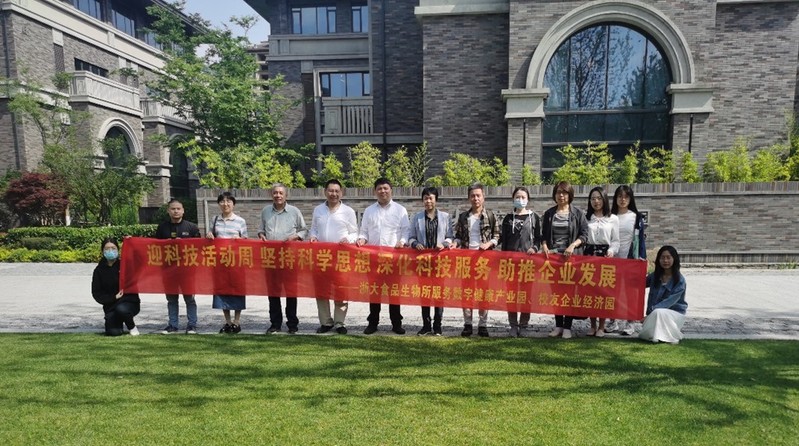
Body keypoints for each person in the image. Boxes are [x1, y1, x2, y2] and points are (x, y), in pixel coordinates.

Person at [356, 178, 410, 335]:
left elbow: (405, 231)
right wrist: (362, 239)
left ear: (391, 190)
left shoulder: (400, 210)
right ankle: (373, 323)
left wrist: (402, 241)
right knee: (374, 292)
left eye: (385, 188)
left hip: (394, 258)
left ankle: (396, 323)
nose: (383, 191)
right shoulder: (369, 211)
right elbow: (364, 231)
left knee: (394, 292)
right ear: (375, 191)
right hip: (374, 259)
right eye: (379, 188)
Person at [309, 179, 358, 335]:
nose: (333, 194)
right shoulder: (318, 210)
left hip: (341, 257)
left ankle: (339, 322)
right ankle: (326, 322)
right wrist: (313, 237)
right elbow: (313, 229)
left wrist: (347, 239)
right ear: (325, 192)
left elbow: (355, 233)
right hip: (321, 257)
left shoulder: (348, 211)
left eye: (337, 191)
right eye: (331, 191)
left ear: (341, 193)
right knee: (321, 290)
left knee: (341, 289)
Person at [257, 183, 308, 334]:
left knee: (291, 292)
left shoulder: (294, 211)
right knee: (273, 292)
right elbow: (260, 230)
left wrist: (295, 237)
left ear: (286, 195)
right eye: (275, 193)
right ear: (271, 195)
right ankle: (275, 324)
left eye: (281, 193)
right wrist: (261, 235)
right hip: (271, 258)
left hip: (289, 258)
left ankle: (292, 324)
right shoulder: (266, 211)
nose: (278, 195)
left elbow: (304, 230)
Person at [541, 181, 588, 339]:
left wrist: (573, 245)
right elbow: (543, 235)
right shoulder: (549, 214)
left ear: (570, 195)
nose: (561, 195)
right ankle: (558, 325)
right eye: (558, 192)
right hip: (554, 259)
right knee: (556, 293)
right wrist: (544, 245)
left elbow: (584, 235)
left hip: (571, 259)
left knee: (569, 293)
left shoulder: (577, 213)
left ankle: (567, 326)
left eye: (564, 192)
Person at [454, 182, 500, 337]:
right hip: (467, 260)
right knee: (467, 292)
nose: (476, 198)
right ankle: (468, 324)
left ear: (483, 197)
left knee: (483, 293)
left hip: (484, 261)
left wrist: (488, 244)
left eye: (478, 195)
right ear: (469, 198)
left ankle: (482, 324)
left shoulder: (491, 216)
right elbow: (458, 237)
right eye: (472, 196)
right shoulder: (463, 217)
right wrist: (455, 243)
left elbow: (497, 236)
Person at [408, 186, 454, 336]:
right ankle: (426, 325)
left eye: (431, 198)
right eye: (425, 198)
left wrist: (445, 243)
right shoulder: (417, 218)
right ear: (422, 200)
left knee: (439, 294)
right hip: (423, 263)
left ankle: (438, 325)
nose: (428, 201)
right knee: (425, 294)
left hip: (440, 262)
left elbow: (450, 237)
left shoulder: (445, 217)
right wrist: (415, 244)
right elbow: (411, 238)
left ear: (436, 200)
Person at [499, 186, 541, 337]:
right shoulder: (508, 218)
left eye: (523, 197)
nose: (520, 199)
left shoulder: (534, 217)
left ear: (528, 199)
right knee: (511, 295)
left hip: (527, 263)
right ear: (513, 199)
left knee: (526, 295)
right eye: (517, 197)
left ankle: (523, 325)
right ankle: (513, 325)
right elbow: (503, 241)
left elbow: (538, 238)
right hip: (510, 264)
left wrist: (534, 248)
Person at [155, 198, 201, 334]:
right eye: (173, 209)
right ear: (168, 211)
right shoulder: (162, 227)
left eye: (178, 209)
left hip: (187, 270)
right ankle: (172, 325)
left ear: (183, 211)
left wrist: (184, 244)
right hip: (168, 270)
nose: (176, 211)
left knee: (189, 299)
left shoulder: (192, 227)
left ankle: (192, 325)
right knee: (171, 299)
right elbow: (155, 247)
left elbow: (199, 247)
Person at [608, 184, 648, 335]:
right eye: (620, 196)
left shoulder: (635, 217)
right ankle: (613, 322)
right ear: (615, 198)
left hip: (630, 259)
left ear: (630, 199)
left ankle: (630, 323)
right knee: (612, 293)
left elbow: (641, 240)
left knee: (630, 293)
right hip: (613, 260)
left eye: (626, 197)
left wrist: (642, 258)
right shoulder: (610, 216)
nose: (623, 200)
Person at [206, 192, 248, 334]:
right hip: (220, 262)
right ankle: (228, 322)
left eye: (229, 201)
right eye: (222, 201)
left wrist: (240, 239)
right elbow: (210, 237)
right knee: (222, 290)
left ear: (233, 204)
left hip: (236, 262)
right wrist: (209, 235)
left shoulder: (240, 221)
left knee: (237, 290)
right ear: (219, 204)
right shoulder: (215, 220)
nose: (225, 204)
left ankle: (237, 322)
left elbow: (246, 240)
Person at [584, 186, 620, 338]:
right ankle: (592, 325)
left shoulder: (613, 218)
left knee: (603, 292)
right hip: (589, 256)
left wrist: (612, 250)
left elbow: (616, 241)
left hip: (605, 257)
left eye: (599, 198)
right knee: (590, 291)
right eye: (593, 199)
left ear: (604, 199)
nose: (596, 201)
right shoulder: (586, 218)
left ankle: (602, 326)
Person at [92, 237, 140, 336]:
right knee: (114, 332)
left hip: (128, 303)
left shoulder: (125, 265)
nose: (110, 251)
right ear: (102, 251)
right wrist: (114, 297)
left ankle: (132, 327)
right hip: (111, 306)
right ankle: (118, 321)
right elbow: (97, 293)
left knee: (121, 309)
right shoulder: (99, 270)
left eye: (113, 248)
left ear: (118, 250)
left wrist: (131, 243)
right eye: (107, 249)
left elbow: (139, 260)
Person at [639, 245, 687, 344]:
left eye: (668, 258)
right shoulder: (655, 276)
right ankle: (657, 335)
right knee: (657, 314)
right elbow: (639, 284)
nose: (665, 261)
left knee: (659, 312)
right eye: (662, 258)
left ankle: (666, 336)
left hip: (674, 314)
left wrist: (650, 314)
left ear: (674, 259)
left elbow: (669, 302)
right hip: (655, 314)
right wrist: (637, 266)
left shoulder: (680, 280)